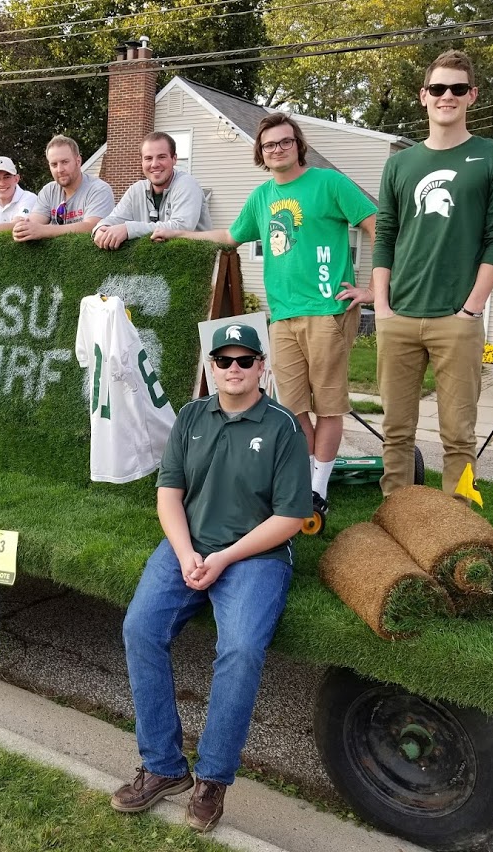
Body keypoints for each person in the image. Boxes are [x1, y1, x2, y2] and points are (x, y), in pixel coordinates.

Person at [111, 323, 310, 833]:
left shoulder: (284, 425)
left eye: (246, 360)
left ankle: (213, 779)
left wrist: (222, 559)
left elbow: (290, 518)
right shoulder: (191, 416)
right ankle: (163, 766)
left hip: (254, 556)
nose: (235, 369)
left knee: (241, 647)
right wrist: (185, 554)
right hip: (188, 546)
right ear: (211, 367)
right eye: (224, 361)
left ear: (262, 366)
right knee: (140, 629)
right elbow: (168, 495)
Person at [156, 112, 376, 514]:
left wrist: (377, 289)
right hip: (284, 315)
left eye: (285, 142)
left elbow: (378, 225)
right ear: (261, 152)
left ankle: (319, 490)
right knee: (292, 408)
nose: (277, 149)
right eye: (270, 145)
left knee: (328, 406)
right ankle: (302, 480)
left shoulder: (329, 184)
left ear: (298, 145)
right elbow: (229, 236)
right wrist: (178, 232)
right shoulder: (261, 197)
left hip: (328, 310)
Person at [372, 49, 493, 496]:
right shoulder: (401, 163)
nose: (447, 96)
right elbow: (385, 233)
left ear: (472, 95)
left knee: (459, 437)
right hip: (398, 316)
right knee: (396, 431)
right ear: (424, 96)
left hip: (457, 318)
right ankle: (396, 519)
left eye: (457, 88)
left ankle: (457, 529)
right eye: (438, 88)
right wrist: (381, 305)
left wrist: (471, 310)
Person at [92, 133, 212, 250]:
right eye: (148, 158)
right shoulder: (136, 190)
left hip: (195, 260)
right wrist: (101, 228)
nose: (154, 164)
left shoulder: (187, 184)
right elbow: (115, 218)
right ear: (142, 162)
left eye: (162, 157)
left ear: (174, 159)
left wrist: (128, 229)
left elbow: (181, 227)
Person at [12, 135, 114, 241]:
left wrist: (44, 230)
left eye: (65, 162)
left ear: (78, 161)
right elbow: (35, 223)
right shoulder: (48, 191)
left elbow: (93, 226)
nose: (60, 170)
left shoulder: (99, 189)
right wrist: (23, 228)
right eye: (54, 164)